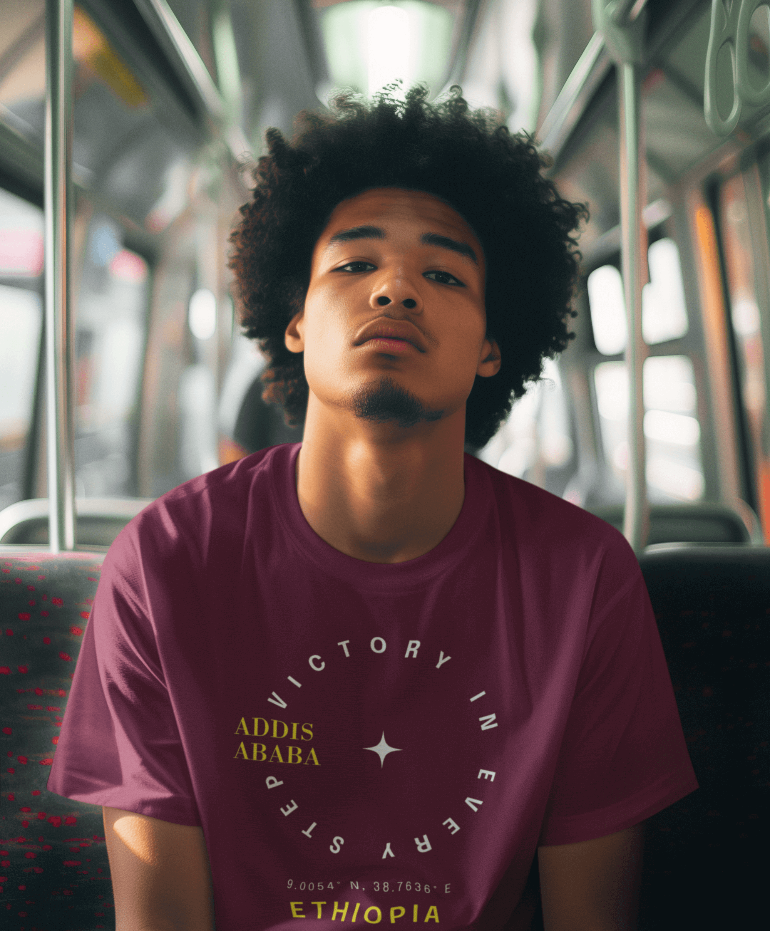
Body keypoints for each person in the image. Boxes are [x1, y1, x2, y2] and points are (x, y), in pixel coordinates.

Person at [47, 86, 697, 931]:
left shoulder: (583, 578)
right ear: (295, 321)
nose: (394, 288)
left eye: (442, 273)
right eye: (353, 265)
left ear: (494, 344)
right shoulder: (167, 562)